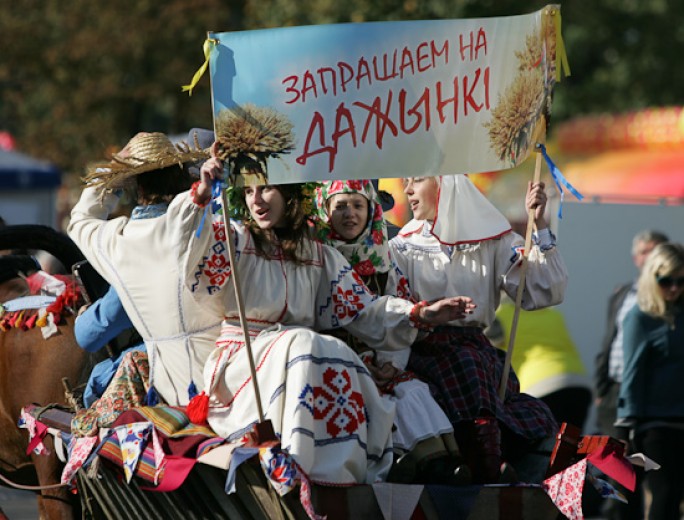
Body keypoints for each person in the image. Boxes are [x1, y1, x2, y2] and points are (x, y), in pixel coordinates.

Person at [184, 104, 472, 485]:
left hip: (299, 357)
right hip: (245, 364)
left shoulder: (318, 254)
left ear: (290, 194)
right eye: (249, 191)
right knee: (308, 344)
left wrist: (421, 314)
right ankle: (301, 464)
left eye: (266, 188)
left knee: (335, 352)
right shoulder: (236, 240)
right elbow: (192, 255)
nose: (256, 201)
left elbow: (365, 312)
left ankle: (351, 468)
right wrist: (204, 193)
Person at [387, 174, 568, 484]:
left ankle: (523, 469)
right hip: (425, 349)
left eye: (416, 180)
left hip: (478, 350)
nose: (408, 190)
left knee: (533, 411)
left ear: (446, 183)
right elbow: (392, 311)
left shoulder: (493, 237)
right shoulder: (403, 245)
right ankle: (486, 470)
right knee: (468, 367)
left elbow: (543, 292)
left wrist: (539, 227)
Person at [315, 179, 472, 485]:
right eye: (341, 206)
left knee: (412, 391)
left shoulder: (383, 262)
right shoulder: (316, 259)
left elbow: (398, 313)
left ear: (372, 211)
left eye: (358, 205)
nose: (350, 215)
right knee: (375, 400)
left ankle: (443, 466)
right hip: (333, 364)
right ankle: (402, 465)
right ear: (325, 211)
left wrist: (390, 365)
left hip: (379, 363)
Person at [68, 131, 225, 416]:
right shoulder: (213, 228)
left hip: (171, 392)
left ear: (134, 186)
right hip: (229, 379)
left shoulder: (120, 241)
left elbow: (79, 220)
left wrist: (112, 170)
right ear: (183, 178)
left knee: (97, 382)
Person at [616, 242, 684, 520]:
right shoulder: (641, 318)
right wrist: (625, 427)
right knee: (664, 490)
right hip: (653, 424)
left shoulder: (680, 314)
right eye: (666, 281)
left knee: (675, 494)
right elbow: (631, 373)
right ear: (652, 278)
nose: (674, 289)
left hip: (680, 420)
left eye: (681, 281)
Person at [595, 230, 669, 438]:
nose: (649, 256)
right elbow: (609, 341)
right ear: (636, 258)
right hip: (615, 390)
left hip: (651, 392)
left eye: (655, 250)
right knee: (612, 460)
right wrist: (601, 390)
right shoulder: (623, 293)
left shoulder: (673, 292)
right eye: (644, 251)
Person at [489, 296, 591, 430]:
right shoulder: (553, 314)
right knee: (571, 443)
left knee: (548, 446)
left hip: (540, 386)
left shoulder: (501, 317)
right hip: (577, 381)